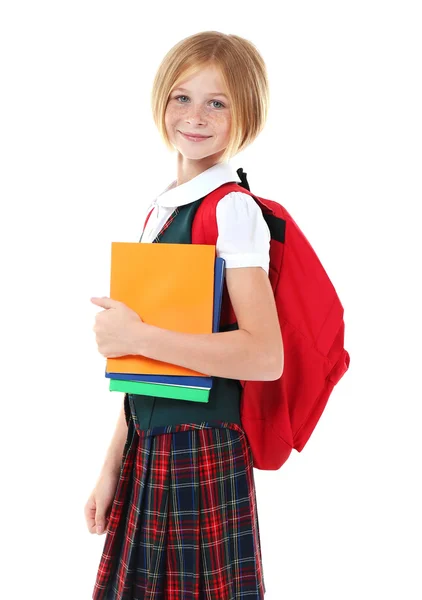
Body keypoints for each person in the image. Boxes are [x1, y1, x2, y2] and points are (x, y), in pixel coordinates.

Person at [85, 30, 283, 600]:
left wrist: (137, 332)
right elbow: (142, 364)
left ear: (245, 113)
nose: (195, 116)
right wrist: (110, 467)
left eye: (217, 102)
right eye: (182, 97)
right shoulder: (163, 207)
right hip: (152, 445)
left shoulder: (233, 209)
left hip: (199, 447)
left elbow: (263, 356)